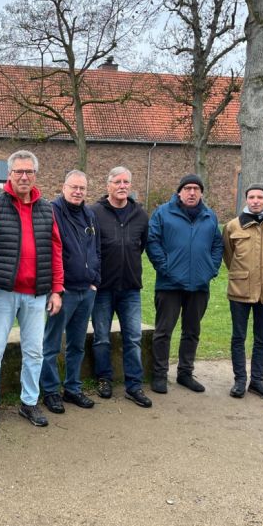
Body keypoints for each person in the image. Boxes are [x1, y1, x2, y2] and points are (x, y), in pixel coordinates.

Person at [0, 149, 64, 428]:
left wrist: (56, 289)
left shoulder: (47, 209)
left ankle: (29, 402)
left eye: (29, 171)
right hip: (3, 292)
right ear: (10, 174)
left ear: (35, 175)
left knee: (34, 351)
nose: (24, 176)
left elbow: (55, 250)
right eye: (19, 172)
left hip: (36, 294)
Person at [146, 174, 223, 394]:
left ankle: (185, 373)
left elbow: (217, 245)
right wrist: (166, 268)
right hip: (169, 285)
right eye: (188, 188)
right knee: (163, 332)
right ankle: (159, 374)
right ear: (179, 192)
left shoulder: (209, 216)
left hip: (199, 285)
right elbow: (153, 242)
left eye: (196, 189)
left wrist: (210, 268)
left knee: (192, 331)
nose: (192, 192)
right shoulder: (163, 213)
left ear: (201, 193)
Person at [90, 166, 152, 408]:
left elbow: (141, 245)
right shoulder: (95, 212)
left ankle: (134, 385)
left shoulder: (140, 215)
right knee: (101, 337)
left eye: (126, 182)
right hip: (102, 288)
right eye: (117, 182)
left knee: (133, 338)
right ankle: (104, 379)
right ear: (108, 185)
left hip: (130, 288)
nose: (122, 186)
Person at [40, 170, 100, 414]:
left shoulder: (90, 215)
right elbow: (46, 250)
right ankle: (50, 391)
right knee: (52, 344)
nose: (78, 192)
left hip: (87, 290)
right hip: (63, 291)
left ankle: (73, 388)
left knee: (77, 344)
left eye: (82, 188)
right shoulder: (52, 212)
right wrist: (55, 287)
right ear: (63, 187)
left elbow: (96, 249)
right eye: (73, 187)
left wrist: (95, 280)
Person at [222, 184, 263, 400]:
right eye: (251, 197)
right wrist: (243, 274)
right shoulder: (233, 226)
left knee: (262, 338)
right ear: (246, 200)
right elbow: (228, 256)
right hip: (241, 289)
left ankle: (257, 381)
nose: (255, 201)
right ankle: (240, 381)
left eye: (260, 197)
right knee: (238, 337)